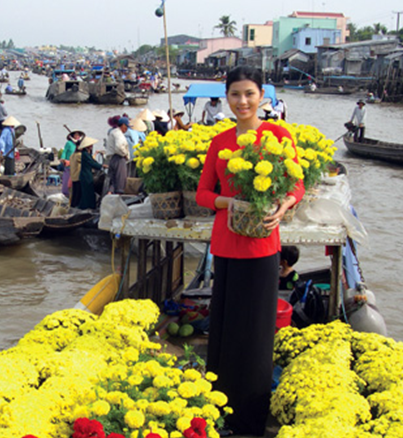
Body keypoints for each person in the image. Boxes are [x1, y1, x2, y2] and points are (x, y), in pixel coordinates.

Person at [196, 66, 305, 436]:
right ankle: (221, 411)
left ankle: (251, 420)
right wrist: (227, 201)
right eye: (234, 95)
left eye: (249, 94)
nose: (242, 102)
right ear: (226, 98)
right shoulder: (220, 141)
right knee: (225, 331)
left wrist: (285, 204)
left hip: (262, 246)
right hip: (226, 245)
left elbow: (298, 183)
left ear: (262, 97)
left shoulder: (278, 135)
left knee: (257, 335)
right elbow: (202, 194)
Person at [78, 137, 106, 210]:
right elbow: (91, 163)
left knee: (88, 191)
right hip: (85, 175)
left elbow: (93, 161)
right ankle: (87, 206)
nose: (92, 146)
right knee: (87, 191)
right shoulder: (85, 154)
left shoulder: (87, 153)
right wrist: (101, 166)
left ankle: (88, 206)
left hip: (87, 174)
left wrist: (101, 165)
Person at [105, 116, 130, 194]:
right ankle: (117, 201)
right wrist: (125, 154)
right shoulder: (119, 134)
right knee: (120, 182)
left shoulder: (113, 132)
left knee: (113, 181)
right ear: (123, 125)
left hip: (112, 159)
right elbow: (119, 147)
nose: (127, 129)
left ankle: (109, 198)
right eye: (126, 127)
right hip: (118, 158)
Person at [60, 130, 84, 198]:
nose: (77, 137)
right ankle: (65, 193)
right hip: (68, 163)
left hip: (76, 164)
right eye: (75, 135)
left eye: (78, 135)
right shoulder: (69, 143)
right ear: (72, 136)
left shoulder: (80, 144)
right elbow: (64, 151)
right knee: (66, 178)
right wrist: (63, 159)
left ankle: (74, 193)